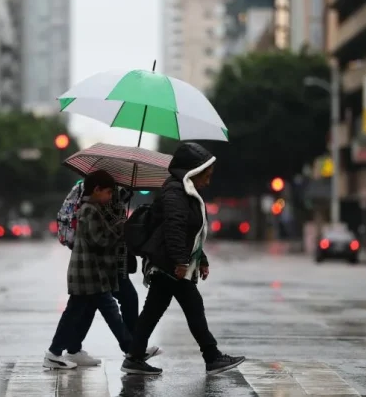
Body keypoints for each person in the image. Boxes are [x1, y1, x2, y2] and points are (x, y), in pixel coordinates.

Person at [121, 142, 245, 376]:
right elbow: (175, 228)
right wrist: (180, 261)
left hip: (171, 263)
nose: (208, 181)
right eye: (205, 176)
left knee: (156, 312)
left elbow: (192, 233)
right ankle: (212, 357)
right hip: (169, 264)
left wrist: (202, 259)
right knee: (190, 308)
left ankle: (135, 357)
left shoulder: (185, 192)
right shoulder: (175, 192)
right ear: (192, 171)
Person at [62, 187, 161, 366]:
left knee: (91, 304)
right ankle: (133, 350)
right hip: (106, 263)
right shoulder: (104, 194)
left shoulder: (117, 193)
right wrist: (125, 225)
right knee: (122, 301)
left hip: (111, 263)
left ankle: (73, 348)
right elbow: (106, 228)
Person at [43, 170, 132, 369]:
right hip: (88, 274)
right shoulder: (89, 210)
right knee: (108, 312)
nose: (110, 197)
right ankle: (132, 350)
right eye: (108, 192)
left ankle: (60, 351)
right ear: (97, 189)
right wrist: (120, 228)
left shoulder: (91, 208)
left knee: (76, 313)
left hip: (88, 273)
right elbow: (100, 240)